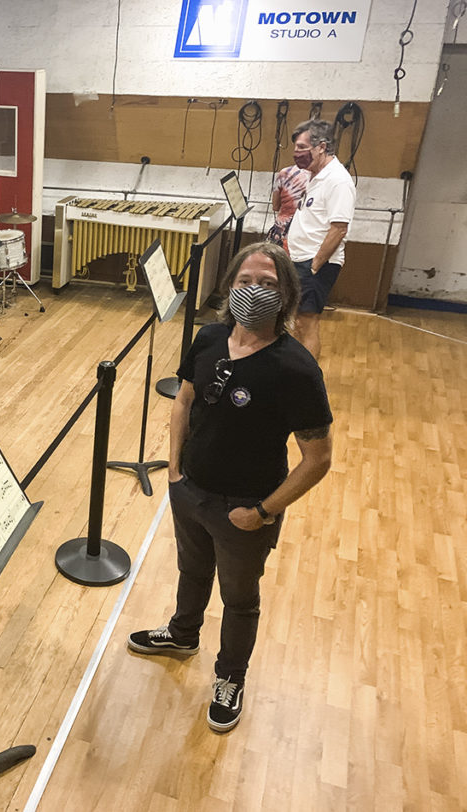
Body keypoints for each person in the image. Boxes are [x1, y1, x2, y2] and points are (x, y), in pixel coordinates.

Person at [128, 241, 333, 733]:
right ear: (230, 285)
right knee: (191, 572)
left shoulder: (297, 369)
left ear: (286, 296)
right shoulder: (209, 339)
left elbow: (318, 459)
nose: (255, 291)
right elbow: (184, 400)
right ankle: (182, 635)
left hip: (246, 509)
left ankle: (230, 677)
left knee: (239, 599)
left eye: (268, 284)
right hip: (190, 491)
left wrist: (262, 513)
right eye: (246, 281)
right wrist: (174, 470)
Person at [286, 119, 356, 359]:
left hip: (315, 265)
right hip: (300, 260)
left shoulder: (338, 181)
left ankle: (306, 379)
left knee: (307, 322)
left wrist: (314, 266)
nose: (297, 154)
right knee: (297, 320)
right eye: (295, 148)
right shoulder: (315, 175)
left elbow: (338, 228)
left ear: (321, 147)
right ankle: (296, 369)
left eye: (302, 148)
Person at [265, 162, 308, 248]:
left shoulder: (285, 173)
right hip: (305, 235)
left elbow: (275, 206)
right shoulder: (322, 178)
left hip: (282, 232)